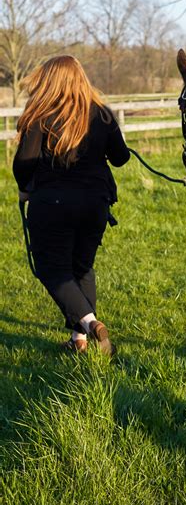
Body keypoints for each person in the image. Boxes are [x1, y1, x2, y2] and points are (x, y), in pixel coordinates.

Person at [12, 55, 130, 355]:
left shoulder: (40, 114)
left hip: (51, 202)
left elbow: (24, 162)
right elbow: (120, 158)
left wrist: (25, 188)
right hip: (95, 201)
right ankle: (79, 342)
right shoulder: (102, 113)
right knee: (82, 268)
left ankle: (90, 324)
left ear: (49, 80)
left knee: (52, 269)